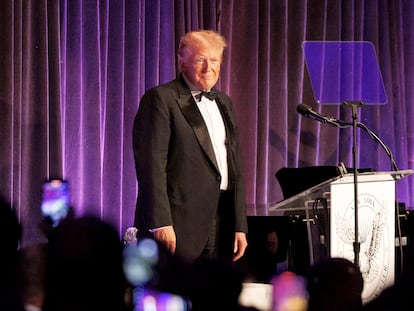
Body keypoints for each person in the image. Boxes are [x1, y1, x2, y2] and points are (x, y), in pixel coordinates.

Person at [132, 29, 248, 265]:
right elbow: (152, 167)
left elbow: (233, 165)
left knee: (212, 297)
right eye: (199, 60)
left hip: (222, 221)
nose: (209, 68)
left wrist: (239, 225)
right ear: (181, 61)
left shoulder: (225, 102)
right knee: (176, 295)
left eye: (214, 60)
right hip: (178, 224)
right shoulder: (161, 99)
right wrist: (161, 222)